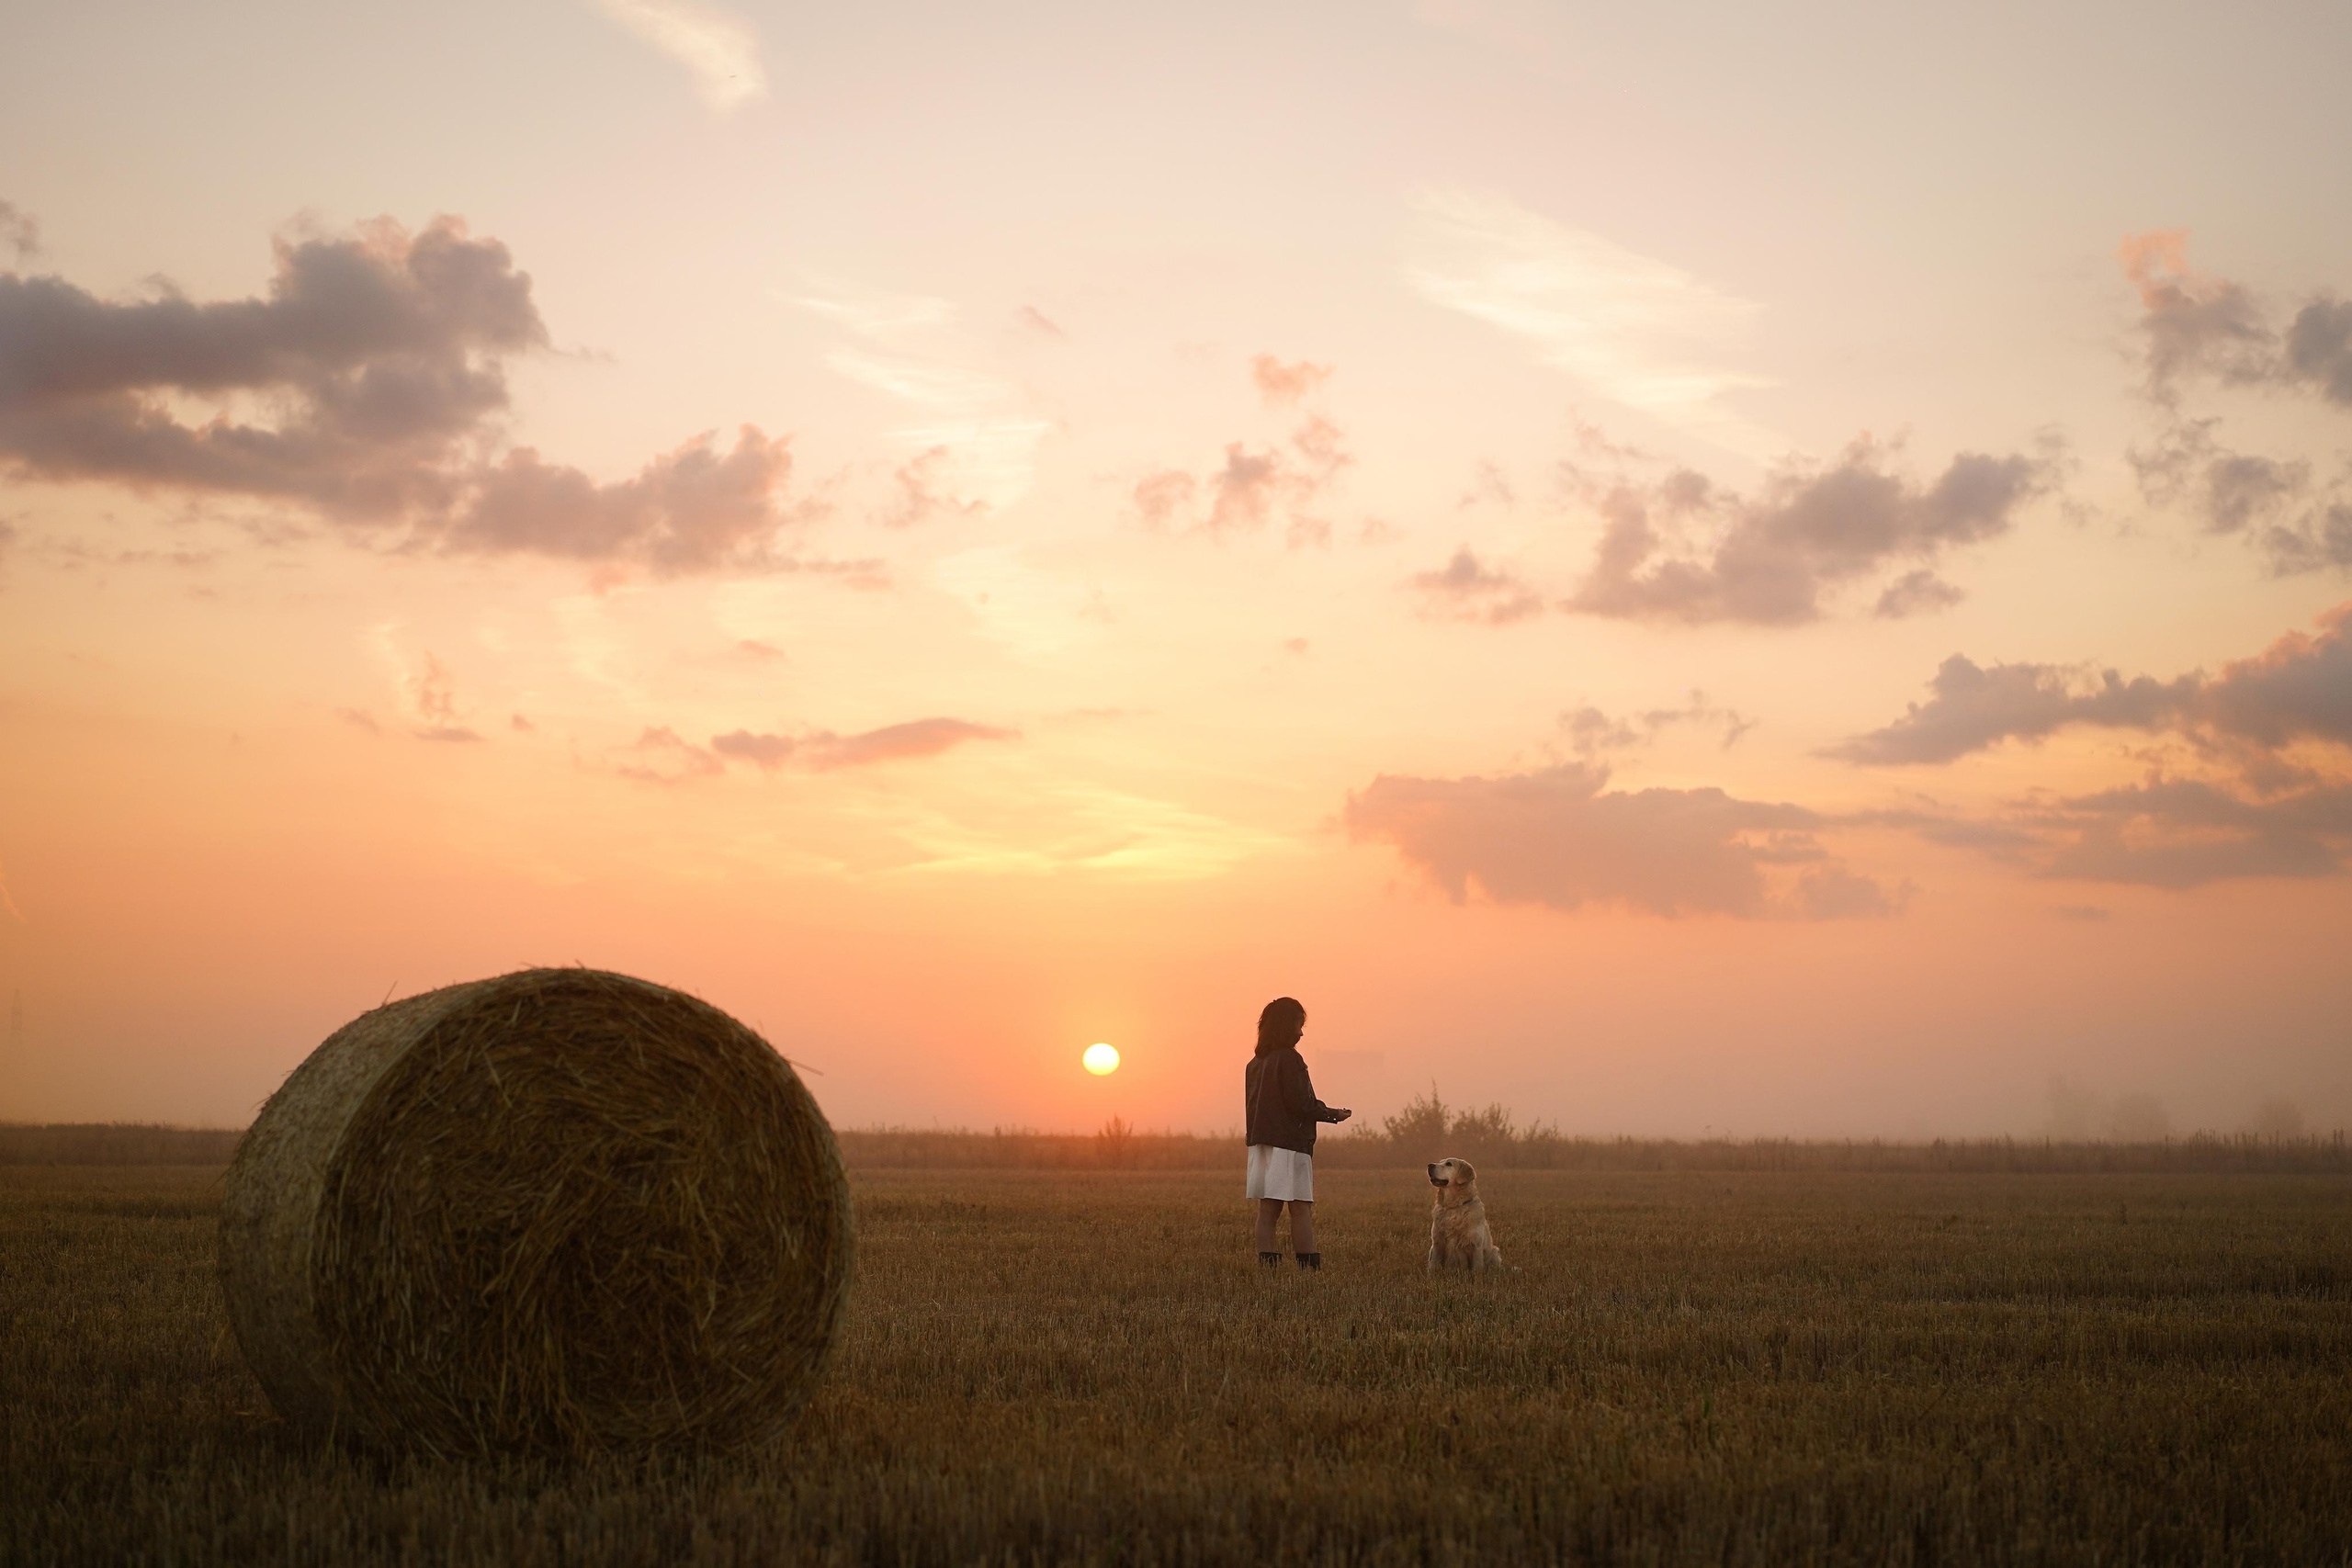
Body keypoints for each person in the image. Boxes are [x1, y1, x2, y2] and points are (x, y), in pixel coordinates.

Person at [1243, 996, 1351, 1269]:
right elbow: (1300, 1103)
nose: (1301, 1033)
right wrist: (1333, 1114)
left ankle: (1268, 1270)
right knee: (1301, 1207)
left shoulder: (1255, 1064)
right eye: (1298, 1025)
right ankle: (1308, 1271)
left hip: (1261, 1145)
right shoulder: (1290, 1059)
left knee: (1267, 1211)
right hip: (1289, 1145)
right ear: (1285, 1026)